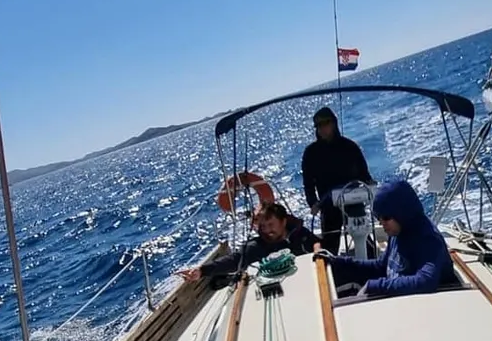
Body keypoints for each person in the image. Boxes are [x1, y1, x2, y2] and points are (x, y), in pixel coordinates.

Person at [316, 177, 455, 297]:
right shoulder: (397, 232)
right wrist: (339, 262)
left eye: (386, 218)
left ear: (402, 214)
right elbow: (381, 267)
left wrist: (375, 286)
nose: (381, 223)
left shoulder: (429, 240)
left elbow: (426, 281)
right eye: (378, 218)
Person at [179, 202, 318, 286]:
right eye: (263, 226)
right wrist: (202, 271)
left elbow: (317, 244)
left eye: (271, 225)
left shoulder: (300, 233)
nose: (267, 230)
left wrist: (319, 253)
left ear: (283, 222)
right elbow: (234, 260)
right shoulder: (256, 247)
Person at [301, 106, 373, 254]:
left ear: (334, 123)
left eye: (326, 124)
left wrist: (371, 185)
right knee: (330, 248)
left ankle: (374, 265)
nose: (322, 128)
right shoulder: (311, 153)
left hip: (353, 202)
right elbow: (308, 183)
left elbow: (364, 175)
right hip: (328, 205)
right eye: (319, 126)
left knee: (368, 246)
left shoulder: (350, 146)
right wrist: (313, 202)